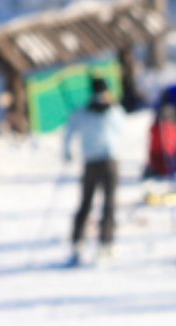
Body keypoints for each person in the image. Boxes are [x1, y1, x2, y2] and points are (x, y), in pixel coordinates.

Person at [62, 76, 126, 265]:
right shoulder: (113, 111)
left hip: (90, 162)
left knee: (86, 203)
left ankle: (77, 242)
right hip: (109, 160)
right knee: (109, 203)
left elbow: (69, 132)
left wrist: (67, 153)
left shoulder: (82, 112)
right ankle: (106, 242)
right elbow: (121, 128)